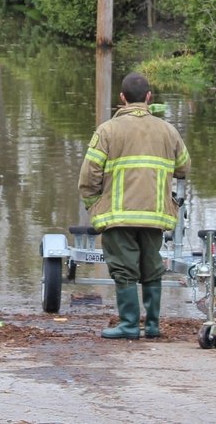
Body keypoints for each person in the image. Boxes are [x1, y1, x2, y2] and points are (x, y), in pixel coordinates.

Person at [78, 72, 190, 340]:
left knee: (124, 269)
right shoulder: (169, 131)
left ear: (122, 98)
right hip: (154, 216)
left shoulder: (107, 131)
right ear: (149, 98)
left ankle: (129, 325)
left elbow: (88, 177)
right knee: (152, 268)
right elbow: (184, 168)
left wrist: (95, 207)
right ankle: (152, 325)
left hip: (118, 218)